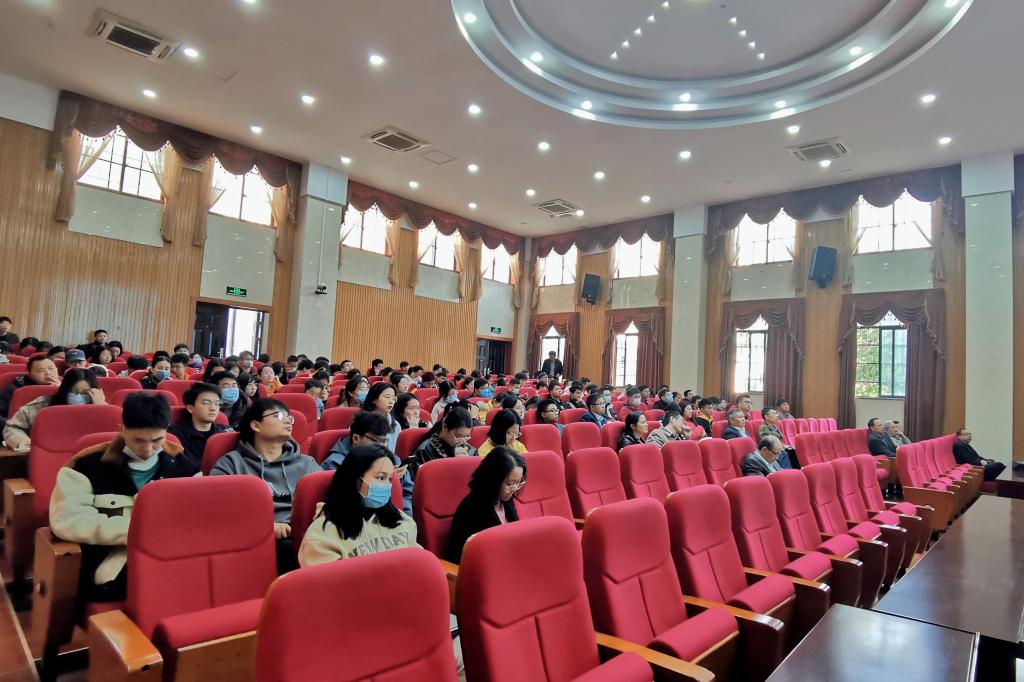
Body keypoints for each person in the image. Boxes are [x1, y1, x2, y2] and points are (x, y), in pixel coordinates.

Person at [49, 393, 198, 604]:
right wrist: (138, 532)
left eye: (157, 440)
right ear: (122, 429)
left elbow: (198, 518)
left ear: (166, 432)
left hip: (172, 554)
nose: (148, 449)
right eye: (139, 440)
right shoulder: (85, 466)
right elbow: (69, 519)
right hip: (112, 560)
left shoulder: (185, 467)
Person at [210, 398, 320, 572]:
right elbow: (218, 510)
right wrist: (265, 526)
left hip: (307, 533)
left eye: (289, 418)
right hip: (257, 539)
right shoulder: (231, 464)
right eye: (279, 415)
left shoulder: (307, 464)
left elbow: (328, 500)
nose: (288, 421)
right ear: (255, 425)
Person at [444, 446, 526, 563]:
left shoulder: (506, 500)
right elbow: (473, 556)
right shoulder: (472, 508)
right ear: (493, 480)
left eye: (518, 483)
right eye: (509, 483)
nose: (514, 489)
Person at [3, 368, 105, 450]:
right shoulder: (43, 405)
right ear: (65, 390)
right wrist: (22, 441)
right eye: (73, 391)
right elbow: (12, 427)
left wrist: (102, 409)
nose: (78, 396)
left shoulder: (103, 408)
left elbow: (111, 440)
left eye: (85, 393)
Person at [167, 383, 230, 469]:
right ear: (190, 408)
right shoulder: (174, 435)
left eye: (217, 404)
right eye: (206, 403)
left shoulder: (226, 433)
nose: (213, 408)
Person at [408, 407, 476, 478]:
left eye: (466, 437)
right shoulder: (425, 451)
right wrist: (451, 466)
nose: (462, 441)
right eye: (458, 436)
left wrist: (468, 465)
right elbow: (421, 481)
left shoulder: (471, 451)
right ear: (444, 427)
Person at [0, 355, 60, 429]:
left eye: (51, 368)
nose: (48, 373)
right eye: (41, 370)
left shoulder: (66, 385)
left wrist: (62, 390)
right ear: (30, 374)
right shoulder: (15, 388)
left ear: (57, 369)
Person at [322, 411, 393, 470]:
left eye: (384, 441)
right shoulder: (334, 464)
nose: (381, 447)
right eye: (376, 441)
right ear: (356, 439)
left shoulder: (378, 455)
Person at [362, 382, 401, 452]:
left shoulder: (396, 425)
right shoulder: (361, 421)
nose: (391, 402)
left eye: (393, 398)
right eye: (387, 397)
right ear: (374, 399)